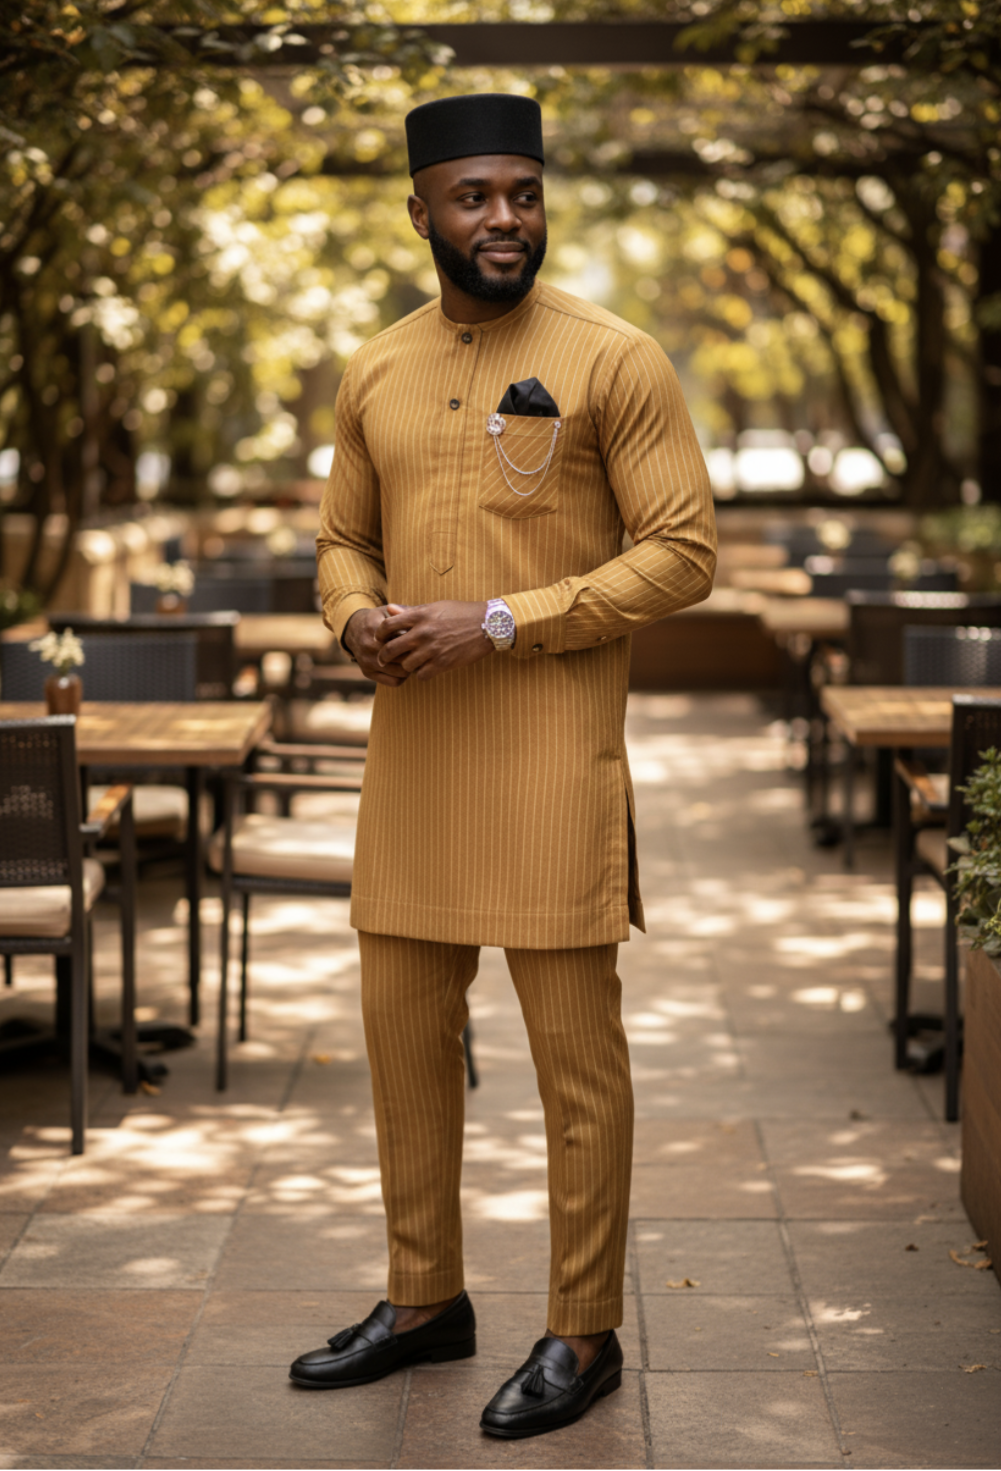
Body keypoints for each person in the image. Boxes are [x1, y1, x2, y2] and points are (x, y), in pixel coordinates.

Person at [292, 91, 716, 1439]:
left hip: (550, 767)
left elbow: (685, 551)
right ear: (421, 211)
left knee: (576, 1070)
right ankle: (425, 1300)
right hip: (412, 769)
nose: (503, 220)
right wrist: (352, 611)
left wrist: (498, 619)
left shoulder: (614, 358)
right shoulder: (376, 368)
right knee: (404, 1050)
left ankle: (582, 1329)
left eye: (522, 195)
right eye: (474, 197)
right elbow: (340, 541)